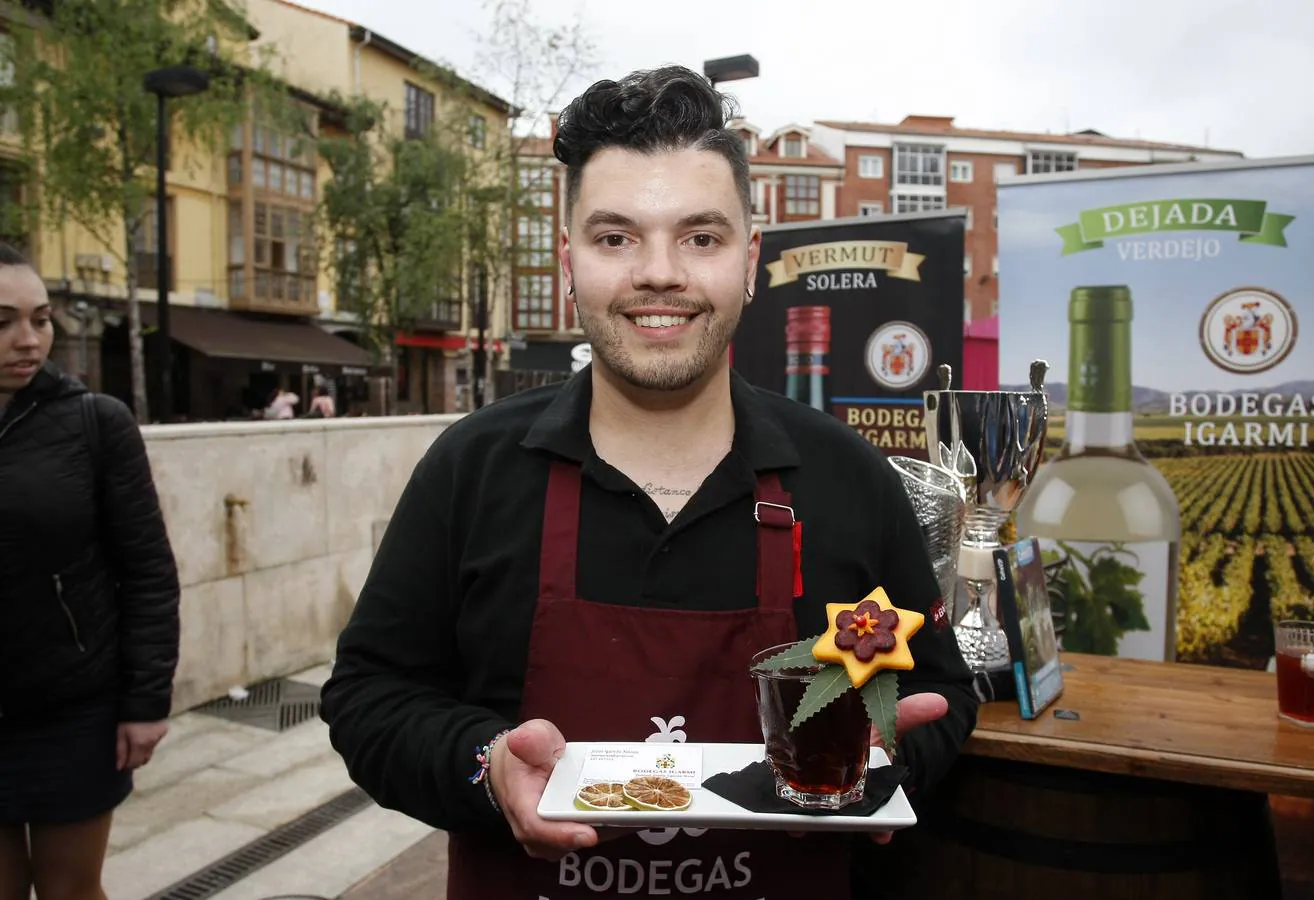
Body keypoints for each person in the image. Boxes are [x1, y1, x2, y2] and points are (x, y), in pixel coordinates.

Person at [319, 66, 977, 899]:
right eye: (615, 238)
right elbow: (371, 696)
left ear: (749, 261)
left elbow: (932, 690)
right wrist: (489, 770)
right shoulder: (472, 471)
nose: (659, 274)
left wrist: (884, 752)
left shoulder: (847, 478)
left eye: (701, 237)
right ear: (569, 261)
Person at [0, 244, 181, 900]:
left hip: (71, 709)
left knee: (68, 889)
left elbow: (149, 570)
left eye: (41, 319)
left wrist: (145, 702)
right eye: (4, 322)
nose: (29, 339)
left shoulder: (94, 423)